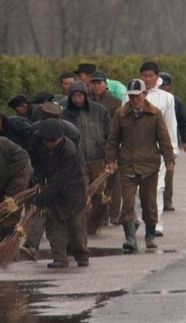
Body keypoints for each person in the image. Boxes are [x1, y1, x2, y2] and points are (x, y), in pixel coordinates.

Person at [106, 79, 175, 253]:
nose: (135, 100)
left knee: (149, 204)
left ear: (144, 95)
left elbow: (163, 138)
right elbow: (113, 139)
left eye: (138, 96)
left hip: (149, 166)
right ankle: (130, 238)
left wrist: (169, 159)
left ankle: (150, 235)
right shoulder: (120, 114)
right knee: (127, 203)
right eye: (131, 96)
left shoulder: (155, 114)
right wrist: (110, 160)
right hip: (127, 165)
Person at [28, 119, 89, 268]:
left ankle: (81, 255)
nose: (49, 144)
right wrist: (40, 180)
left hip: (72, 186)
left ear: (61, 137)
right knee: (54, 222)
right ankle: (59, 257)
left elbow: (57, 181)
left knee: (75, 224)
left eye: (53, 141)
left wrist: (37, 202)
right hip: (51, 184)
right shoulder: (36, 140)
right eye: (47, 141)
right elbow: (35, 161)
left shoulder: (69, 150)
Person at [134, 61, 178, 236]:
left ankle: (156, 222)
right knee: (136, 189)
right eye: (144, 75)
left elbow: (170, 125)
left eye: (151, 75)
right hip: (135, 150)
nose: (147, 79)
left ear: (157, 77)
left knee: (157, 188)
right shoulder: (131, 96)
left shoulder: (166, 98)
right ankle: (137, 219)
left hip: (157, 149)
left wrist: (171, 152)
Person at [62, 80, 111, 234]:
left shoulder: (100, 111)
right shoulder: (64, 115)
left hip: (98, 158)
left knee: (99, 194)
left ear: (85, 95)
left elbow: (109, 133)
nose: (78, 99)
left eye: (80, 96)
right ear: (70, 97)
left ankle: (95, 223)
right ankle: (83, 225)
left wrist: (110, 156)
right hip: (77, 161)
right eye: (74, 96)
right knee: (82, 194)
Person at [90, 70, 123, 224]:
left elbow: (118, 126)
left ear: (105, 84)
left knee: (114, 182)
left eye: (99, 83)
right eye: (94, 83)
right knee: (98, 183)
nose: (96, 86)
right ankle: (101, 216)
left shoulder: (115, 102)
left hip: (110, 144)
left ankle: (115, 215)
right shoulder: (87, 101)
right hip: (92, 148)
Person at [159, 71, 186, 211]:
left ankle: (167, 201)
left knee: (168, 172)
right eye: (161, 85)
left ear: (169, 86)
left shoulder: (175, 101)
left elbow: (183, 122)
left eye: (165, 85)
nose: (163, 87)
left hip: (169, 141)